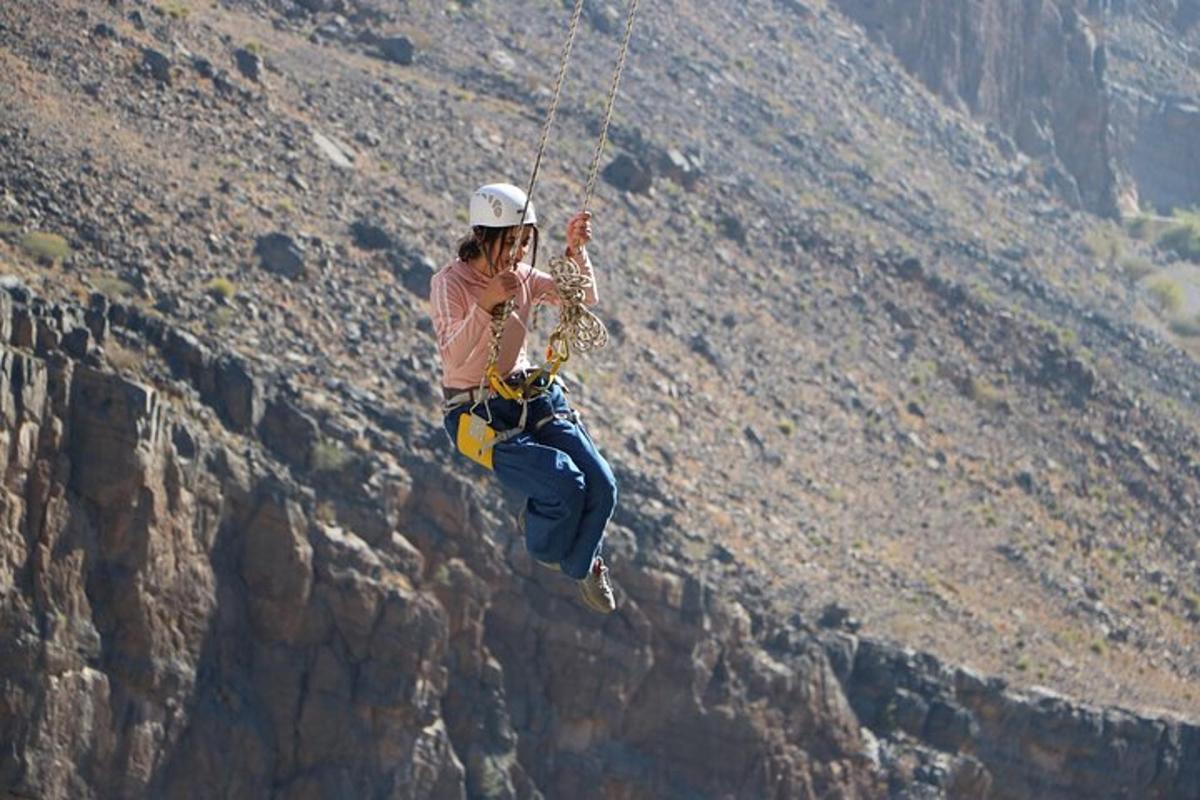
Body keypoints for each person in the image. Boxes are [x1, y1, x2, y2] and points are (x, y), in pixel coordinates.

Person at [429, 183, 619, 614]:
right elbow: (453, 353)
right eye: (509, 241)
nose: (517, 252)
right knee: (566, 483)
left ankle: (577, 562)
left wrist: (576, 251)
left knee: (603, 486)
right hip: (474, 411)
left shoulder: (525, 278)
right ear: (482, 237)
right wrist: (486, 305)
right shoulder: (450, 284)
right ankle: (562, 545)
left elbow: (582, 296)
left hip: (531, 395)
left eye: (524, 242)